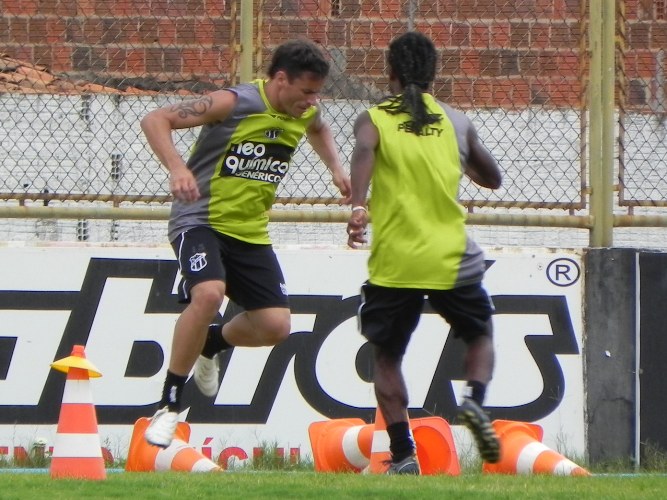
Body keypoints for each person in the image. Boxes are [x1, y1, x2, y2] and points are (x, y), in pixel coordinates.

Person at [141, 39, 351, 448]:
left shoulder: (303, 111)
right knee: (209, 294)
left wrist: (336, 168)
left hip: (250, 232)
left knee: (276, 326)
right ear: (280, 79)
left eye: (317, 93)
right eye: (306, 91)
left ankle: (212, 343)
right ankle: (168, 406)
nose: (312, 101)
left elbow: (319, 128)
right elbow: (155, 119)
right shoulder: (235, 102)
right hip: (199, 220)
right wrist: (178, 168)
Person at [346, 31, 503, 474]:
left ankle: (403, 455)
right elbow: (492, 177)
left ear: (390, 73)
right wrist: (461, 158)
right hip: (451, 256)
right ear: (435, 74)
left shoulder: (373, 118)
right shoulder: (456, 120)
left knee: (387, 358)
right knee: (479, 335)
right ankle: (473, 401)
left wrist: (358, 205)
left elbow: (363, 154)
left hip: (396, 261)